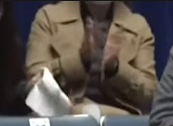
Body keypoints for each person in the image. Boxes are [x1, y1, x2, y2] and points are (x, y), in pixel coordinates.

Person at [26, 1, 157, 116]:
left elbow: (149, 92)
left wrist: (116, 68)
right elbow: (34, 80)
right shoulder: (48, 17)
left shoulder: (138, 26)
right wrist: (79, 60)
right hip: (62, 115)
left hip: (118, 122)